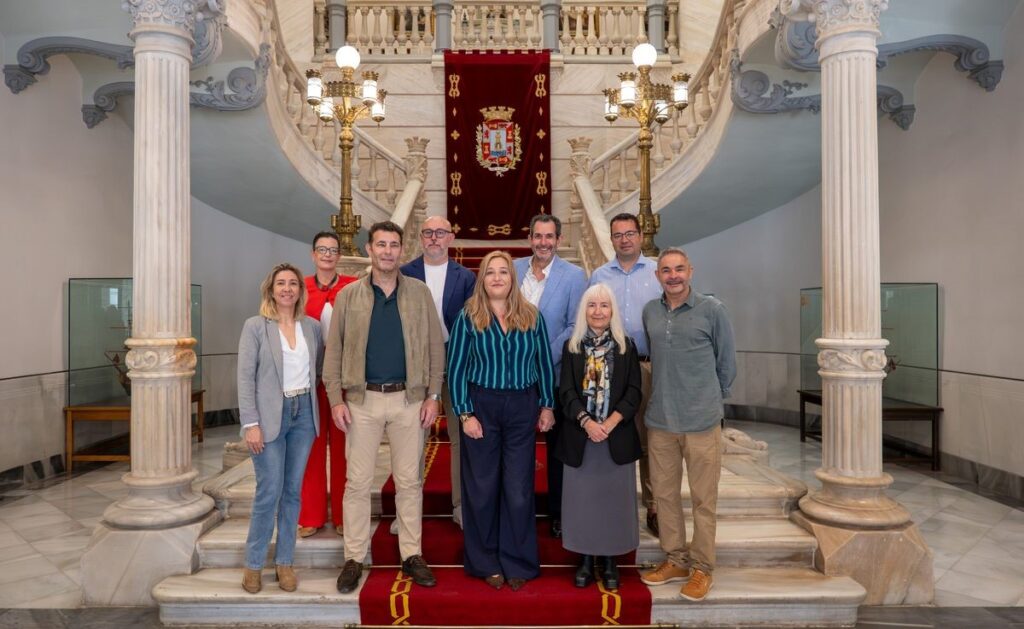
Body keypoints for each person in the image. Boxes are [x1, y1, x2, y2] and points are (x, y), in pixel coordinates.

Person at [324, 221, 445, 594]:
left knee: (410, 482)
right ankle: (354, 557)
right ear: (369, 249)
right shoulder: (348, 297)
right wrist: (334, 400)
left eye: (394, 245)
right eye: (381, 244)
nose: (388, 251)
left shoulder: (420, 294)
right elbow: (334, 351)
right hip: (362, 401)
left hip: (409, 400)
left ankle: (411, 554)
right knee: (357, 483)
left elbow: (435, 348)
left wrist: (433, 395)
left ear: (401, 249)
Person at [447, 250, 556, 592]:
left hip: (522, 407)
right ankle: (485, 561)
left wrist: (547, 406)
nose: (497, 278)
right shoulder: (468, 317)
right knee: (481, 487)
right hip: (482, 405)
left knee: (519, 488)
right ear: (482, 278)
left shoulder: (532, 317)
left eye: (503, 272)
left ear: (512, 279)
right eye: (490, 272)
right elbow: (456, 370)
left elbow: (544, 365)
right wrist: (465, 414)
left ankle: (518, 559)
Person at [639, 247, 736, 601]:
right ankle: (676, 559)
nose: (673, 275)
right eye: (666, 270)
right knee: (664, 497)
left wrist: (709, 399)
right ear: (657, 275)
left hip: (701, 423)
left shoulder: (713, 310)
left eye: (679, 269)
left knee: (703, 500)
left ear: (690, 271)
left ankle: (702, 568)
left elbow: (727, 364)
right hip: (661, 421)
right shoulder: (651, 311)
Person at [238, 263, 323, 594]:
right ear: (270, 290)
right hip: (270, 415)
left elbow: (315, 370)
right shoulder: (256, 326)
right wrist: (251, 423)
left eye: (293, 283)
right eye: (281, 283)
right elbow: (245, 377)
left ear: (301, 290)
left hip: (303, 414)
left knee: (292, 492)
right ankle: (254, 564)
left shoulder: (312, 327)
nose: (287, 289)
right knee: (268, 491)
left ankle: (285, 562)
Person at [557, 283, 642, 590]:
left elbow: (634, 391)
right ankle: (584, 560)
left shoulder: (626, 346)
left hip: (615, 436)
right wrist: (587, 423)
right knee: (583, 504)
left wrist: (610, 422)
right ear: (584, 310)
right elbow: (565, 391)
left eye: (604, 305)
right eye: (592, 305)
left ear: (612, 311)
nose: (598, 311)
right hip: (581, 437)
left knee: (612, 505)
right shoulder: (572, 346)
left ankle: (609, 562)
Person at [588, 213, 662, 536]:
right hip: (609, 367)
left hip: (649, 365)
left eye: (630, 233)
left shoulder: (657, 272)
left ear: (640, 234)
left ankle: (654, 505)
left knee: (650, 438)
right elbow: (591, 317)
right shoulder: (600, 275)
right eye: (618, 235)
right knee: (612, 434)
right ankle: (613, 502)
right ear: (611, 238)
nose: (624, 240)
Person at [513, 214, 587, 538]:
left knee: (557, 450)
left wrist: (541, 357)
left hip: (555, 376)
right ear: (529, 238)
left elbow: (575, 326)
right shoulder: (512, 270)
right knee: (517, 449)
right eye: (537, 236)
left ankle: (559, 512)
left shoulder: (574, 276)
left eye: (549, 237)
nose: (543, 242)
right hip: (512, 377)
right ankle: (518, 510)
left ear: (558, 240)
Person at [400, 216, 476, 527]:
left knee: (459, 437)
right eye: (429, 233)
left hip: (456, 360)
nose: (434, 238)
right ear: (420, 238)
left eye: (440, 233)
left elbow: (472, 321)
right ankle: (409, 509)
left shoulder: (466, 277)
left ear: (451, 238)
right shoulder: (406, 273)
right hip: (417, 364)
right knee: (413, 437)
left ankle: (460, 506)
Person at [298, 232, 357, 538]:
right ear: (313, 254)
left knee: (345, 446)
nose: (328, 255)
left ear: (338, 256)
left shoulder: (352, 287)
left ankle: (346, 515)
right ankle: (312, 514)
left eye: (333, 250)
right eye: (322, 249)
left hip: (343, 379)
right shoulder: (301, 288)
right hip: (308, 379)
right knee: (312, 446)